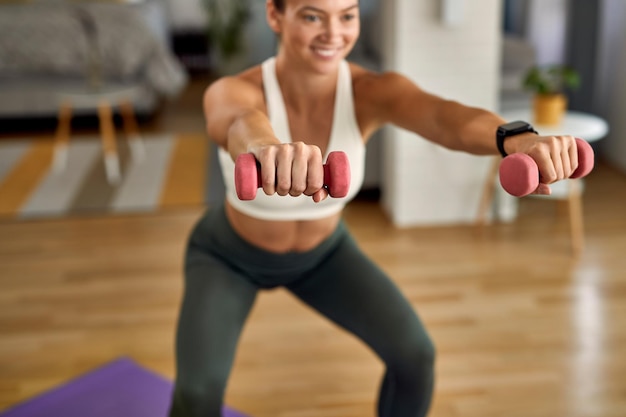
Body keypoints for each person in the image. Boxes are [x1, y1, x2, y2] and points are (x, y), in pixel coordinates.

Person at [168, 0, 581, 416]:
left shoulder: (370, 92)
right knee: (199, 392)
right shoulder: (235, 90)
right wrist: (266, 150)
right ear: (275, 15)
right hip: (229, 257)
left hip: (324, 256)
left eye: (347, 15)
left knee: (415, 358)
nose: (334, 33)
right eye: (313, 16)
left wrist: (518, 139)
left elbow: (444, 118)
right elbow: (240, 122)